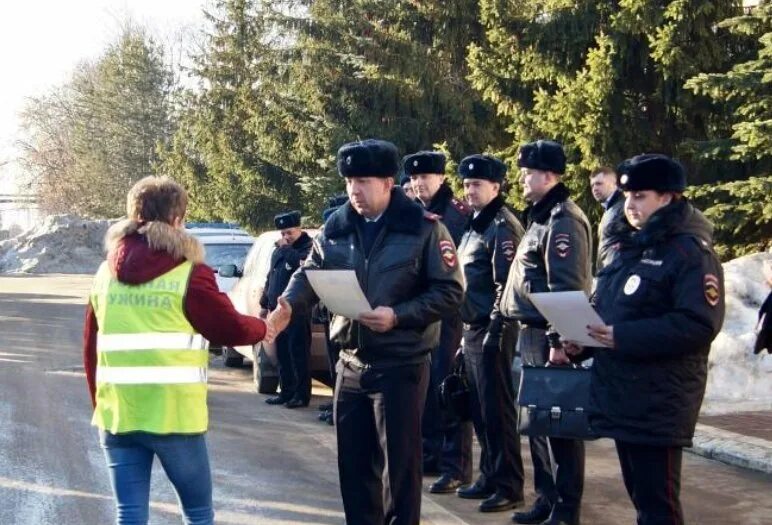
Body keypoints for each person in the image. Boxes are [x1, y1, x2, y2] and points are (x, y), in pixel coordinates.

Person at [270, 138, 465, 525]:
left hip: (402, 363)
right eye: (349, 182)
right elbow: (309, 273)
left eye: (363, 181)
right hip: (351, 364)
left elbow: (451, 291)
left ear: (388, 182)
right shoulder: (337, 227)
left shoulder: (424, 229)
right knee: (354, 468)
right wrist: (288, 304)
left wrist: (399, 314)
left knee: (401, 471)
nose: (354, 190)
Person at [83, 176, 274, 525]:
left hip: (119, 415)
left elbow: (90, 345)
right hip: (173, 416)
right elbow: (228, 327)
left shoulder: (103, 273)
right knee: (198, 515)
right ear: (177, 220)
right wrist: (266, 327)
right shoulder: (190, 273)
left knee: (129, 515)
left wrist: (101, 404)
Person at [565, 153, 725, 525]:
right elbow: (612, 310)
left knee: (659, 506)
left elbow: (698, 323)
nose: (630, 205)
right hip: (625, 393)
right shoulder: (630, 247)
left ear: (667, 197)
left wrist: (621, 336)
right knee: (643, 501)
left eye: (640, 196)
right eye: (626, 196)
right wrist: (582, 342)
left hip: (660, 398)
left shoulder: (690, 253)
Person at [501, 140, 592, 525]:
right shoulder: (541, 217)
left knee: (558, 426)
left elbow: (566, 288)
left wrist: (559, 341)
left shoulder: (563, 220)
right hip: (532, 332)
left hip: (548, 336)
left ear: (550, 175)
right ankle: (546, 497)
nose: (522, 179)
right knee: (538, 423)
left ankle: (566, 507)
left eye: (528, 173)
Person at [454, 153, 526, 512]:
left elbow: (505, 285)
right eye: (466, 184)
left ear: (496, 186)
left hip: (491, 329)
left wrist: (495, 331)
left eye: (477, 184)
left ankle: (509, 483)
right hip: (471, 327)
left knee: (497, 411)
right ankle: (488, 473)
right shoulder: (474, 225)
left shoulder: (502, 225)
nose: (469, 190)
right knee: (480, 410)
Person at [403, 150, 473, 492]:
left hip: (449, 315)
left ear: (442, 178)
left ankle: (455, 464)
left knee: (447, 387)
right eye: (414, 179)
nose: (419, 183)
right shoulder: (413, 213)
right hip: (421, 314)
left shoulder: (457, 216)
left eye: (425, 177)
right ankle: (430, 452)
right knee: (427, 387)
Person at [260, 211, 314, 408]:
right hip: (276, 310)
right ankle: (286, 390)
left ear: (299, 229)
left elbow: (298, 265)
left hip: (297, 311)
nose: (285, 237)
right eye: (282, 233)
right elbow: (271, 277)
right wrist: (264, 303)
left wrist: (285, 250)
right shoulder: (279, 250)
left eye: (289, 233)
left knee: (298, 353)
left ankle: (301, 394)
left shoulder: (308, 249)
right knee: (282, 352)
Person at [317, 194, 349, 425]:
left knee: (341, 361)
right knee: (333, 361)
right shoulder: (327, 244)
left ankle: (338, 404)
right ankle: (335, 401)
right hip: (330, 311)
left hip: (348, 312)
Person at [590, 166, 632, 272]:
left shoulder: (624, 208)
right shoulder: (610, 210)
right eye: (592, 185)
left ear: (614, 184)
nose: (594, 188)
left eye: (599, 184)